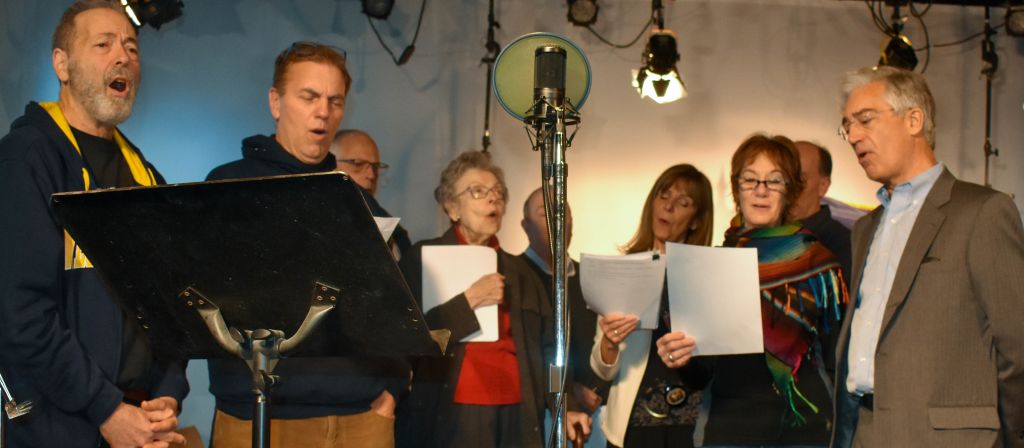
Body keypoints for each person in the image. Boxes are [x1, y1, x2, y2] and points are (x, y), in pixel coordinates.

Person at [0, 2, 187, 447]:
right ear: (61, 64)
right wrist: (104, 408)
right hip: (55, 427)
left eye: (131, 48)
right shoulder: (27, 159)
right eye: (103, 45)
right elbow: (20, 314)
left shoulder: (144, 175)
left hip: (139, 421)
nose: (122, 56)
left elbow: (172, 306)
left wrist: (168, 395)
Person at [205, 41, 407, 448]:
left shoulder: (355, 196)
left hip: (360, 417)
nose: (323, 111)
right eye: (309, 97)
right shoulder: (228, 185)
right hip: (261, 415)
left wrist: (394, 386)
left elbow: (399, 298)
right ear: (275, 102)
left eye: (335, 100)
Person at [833, 66, 1024, 448]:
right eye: (847, 126)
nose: (853, 136)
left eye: (865, 120)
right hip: (863, 432)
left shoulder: (983, 211)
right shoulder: (865, 228)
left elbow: (1017, 347)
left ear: (914, 120)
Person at [399, 150, 582, 447]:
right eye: (478, 191)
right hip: (453, 414)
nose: (493, 198)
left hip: (518, 414)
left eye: (498, 192)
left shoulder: (522, 273)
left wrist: (566, 404)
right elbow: (407, 338)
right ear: (452, 207)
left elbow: (552, 351)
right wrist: (468, 301)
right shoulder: (423, 259)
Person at [696, 135, 848, 447]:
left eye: (774, 181)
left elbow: (835, 355)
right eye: (750, 179)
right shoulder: (714, 262)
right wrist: (681, 355)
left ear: (790, 189)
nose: (761, 190)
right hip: (731, 427)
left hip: (803, 429)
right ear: (737, 188)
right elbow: (700, 371)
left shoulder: (818, 262)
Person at [589, 164, 715, 448]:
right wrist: (609, 342)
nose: (668, 207)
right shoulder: (623, 271)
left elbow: (712, 366)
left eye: (683, 203)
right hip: (633, 427)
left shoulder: (707, 276)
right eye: (664, 195)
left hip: (689, 427)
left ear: (696, 220)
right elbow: (603, 369)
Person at [518, 186, 607, 442]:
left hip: (594, 419)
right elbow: (531, 352)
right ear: (524, 225)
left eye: (563, 212)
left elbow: (606, 346)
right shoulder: (514, 276)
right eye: (544, 212)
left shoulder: (591, 278)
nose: (556, 218)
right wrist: (567, 390)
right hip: (536, 417)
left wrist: (593, 389)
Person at [330, 129, 411, 257]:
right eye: (357, 164)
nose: (371, 175)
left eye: (375, 167)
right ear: (331, 165)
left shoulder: (394, 230)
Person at [790, 141, 852, 277]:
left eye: (800, 179)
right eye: (782, 177)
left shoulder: (841, 244)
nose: (789, 187)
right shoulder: (761, 233)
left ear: (823, 186)